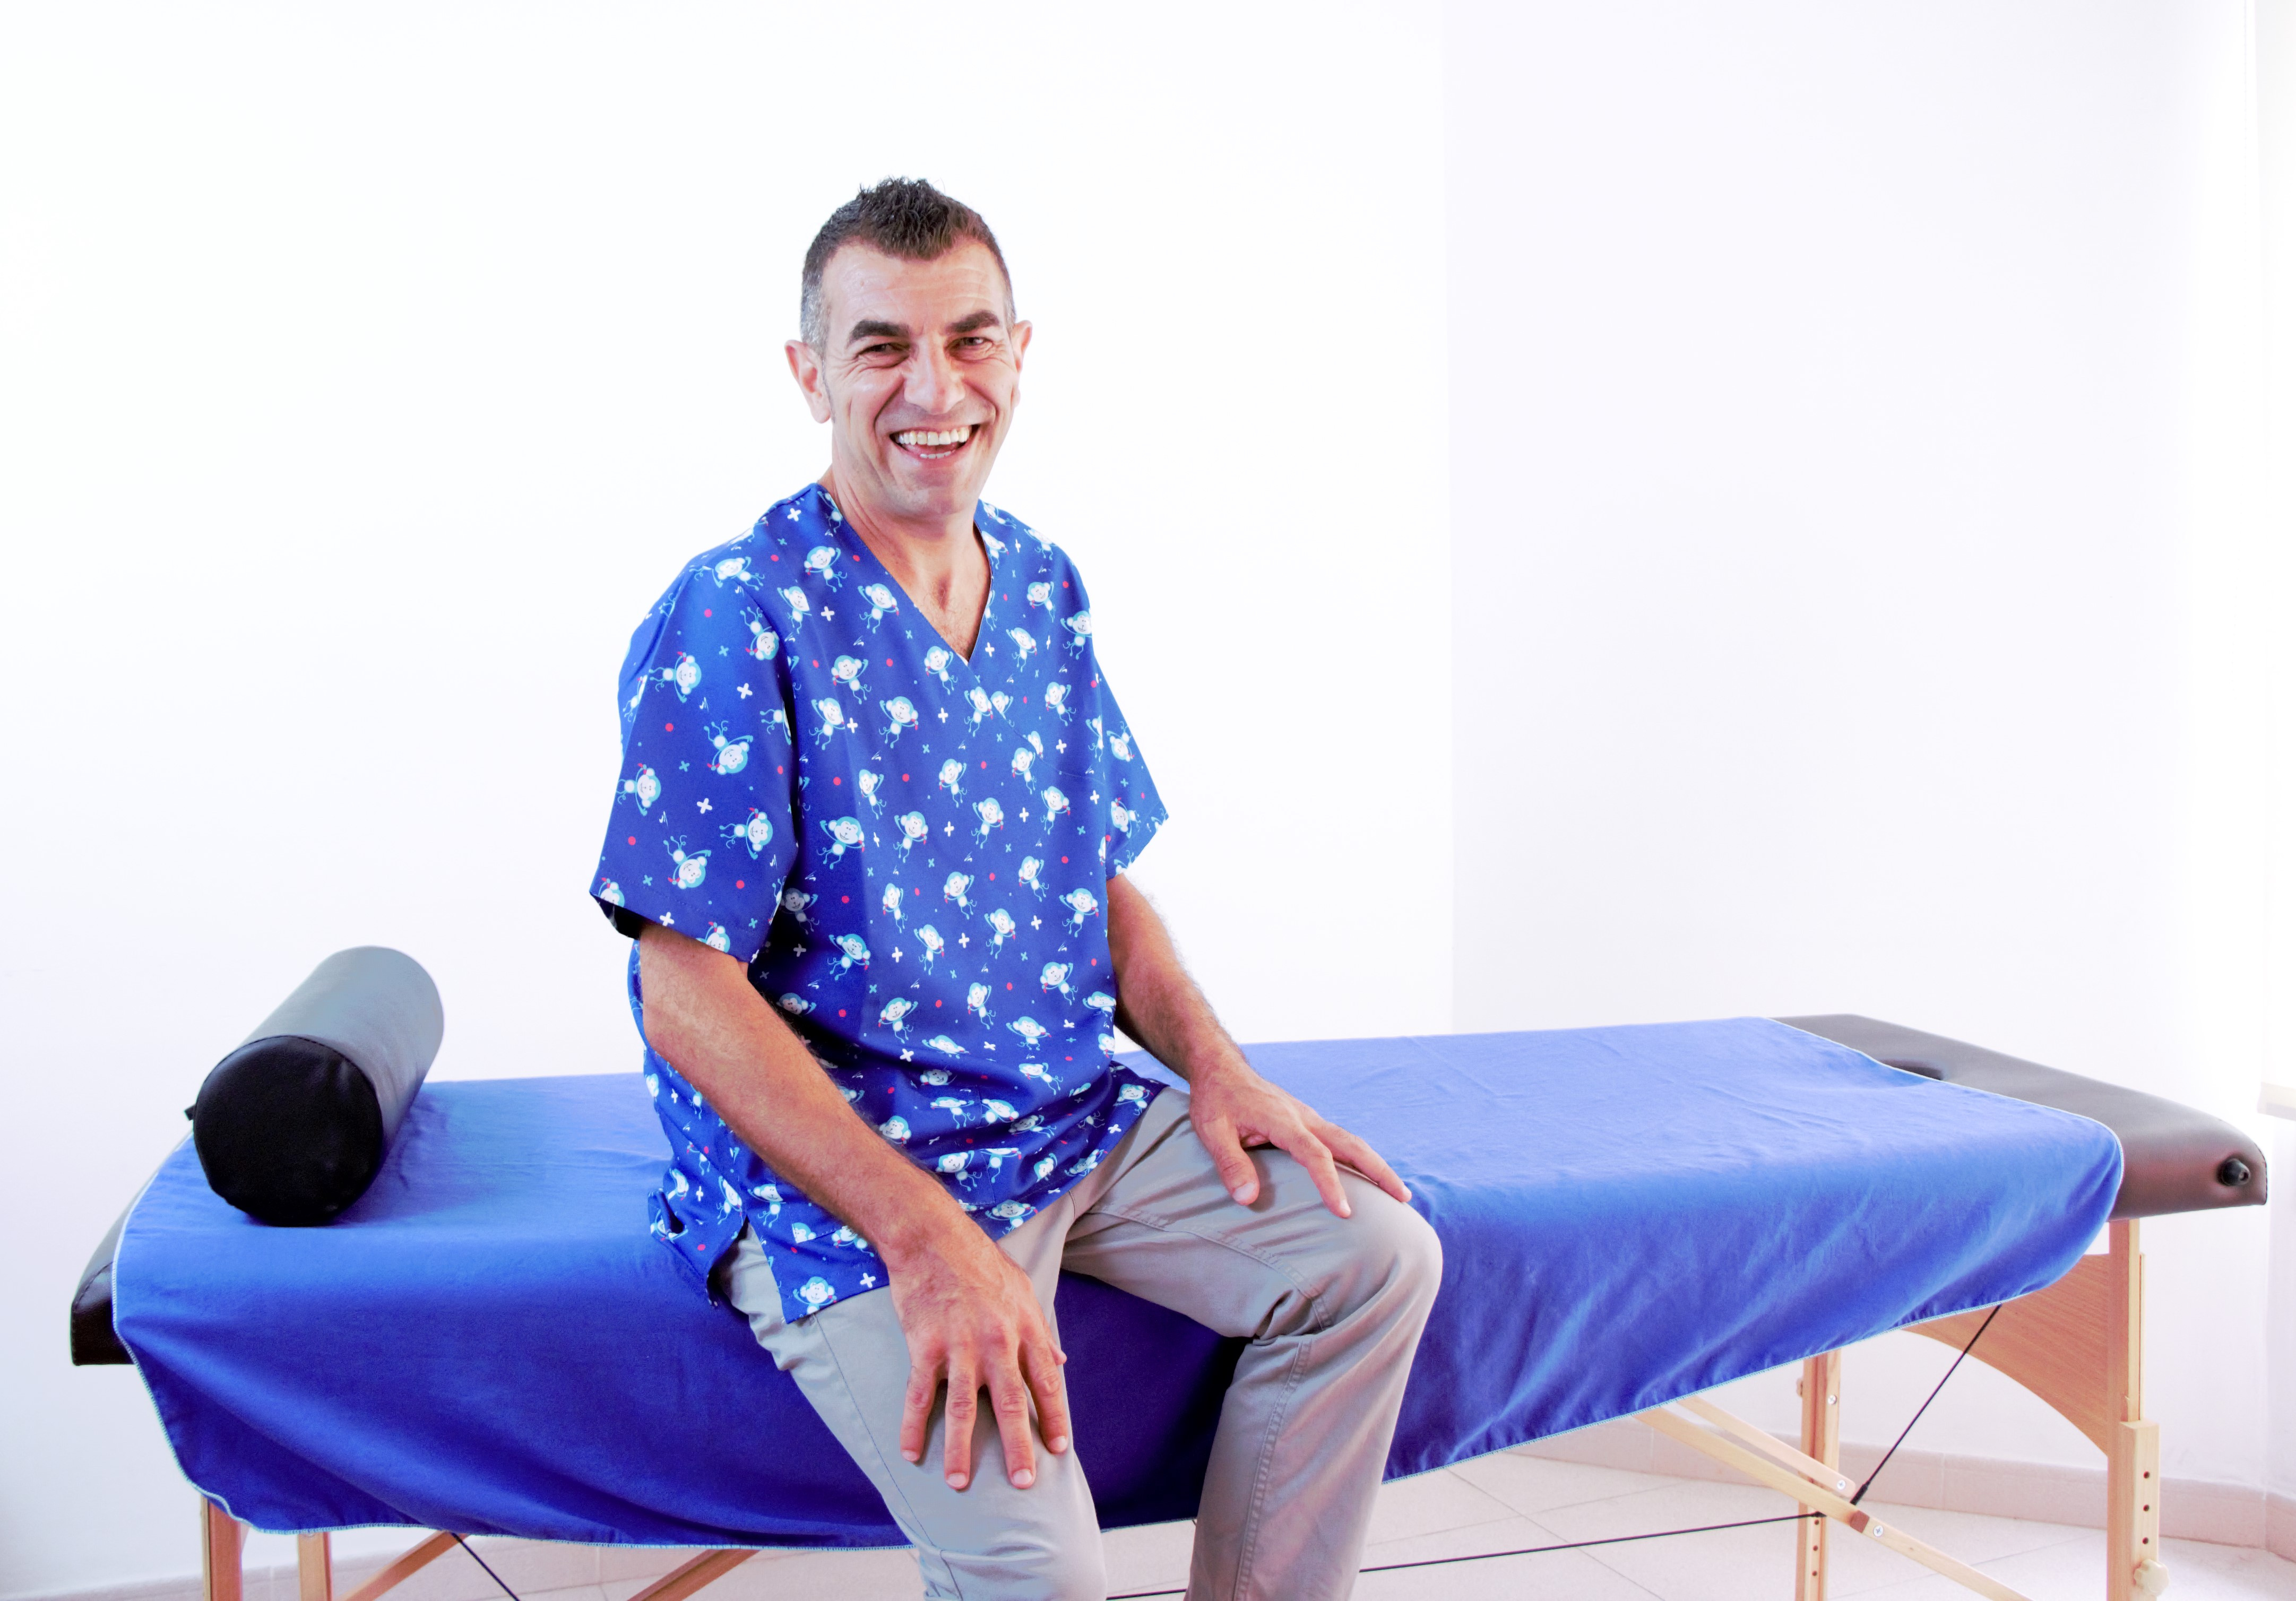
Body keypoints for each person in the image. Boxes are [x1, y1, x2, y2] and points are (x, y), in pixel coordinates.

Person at [588, 178, 1441, 1601]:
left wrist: (1218, 1069)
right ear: (809, 374)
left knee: (1377, 1260)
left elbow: (1095, 878)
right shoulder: (737, 610)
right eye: (882, 348)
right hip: (849, 1178)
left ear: (1020, 353)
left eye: (971, 340)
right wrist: (926, 1235)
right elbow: (680, 990)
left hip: (1064, 1120)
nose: (936, 389)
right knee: (1044, 1581)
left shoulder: (1042, 583)